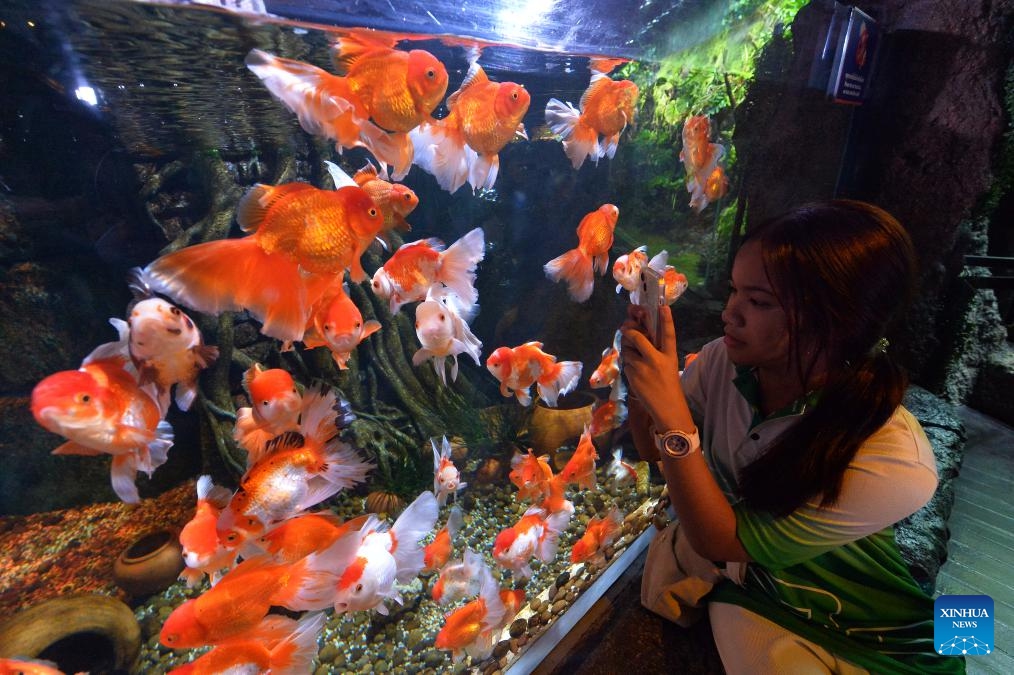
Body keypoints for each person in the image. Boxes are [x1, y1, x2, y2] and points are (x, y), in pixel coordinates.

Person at [621, 200, 963, 674]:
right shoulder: (724, 361)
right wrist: (641, 384)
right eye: (734, 290)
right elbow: (645, 448)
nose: (729, 313)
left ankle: (978, 635)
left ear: (836, 320)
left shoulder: (901, 463)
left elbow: (718, 539)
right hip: (763, 594)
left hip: (876, 621)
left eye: (758, 301)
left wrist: (673, 416)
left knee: (954, 647)